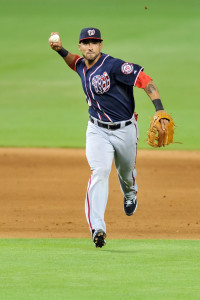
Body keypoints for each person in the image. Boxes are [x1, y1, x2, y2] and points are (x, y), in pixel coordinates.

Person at [49, 27, 169, 248]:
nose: (90, 46)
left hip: (125, 130)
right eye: (86, 42)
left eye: (94, 42)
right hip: (97, 130)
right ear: (81, 46)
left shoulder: (114, 66)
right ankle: (98, 228)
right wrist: (59, 50)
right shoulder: (81, 66)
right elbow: (72, 61)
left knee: (125, 173)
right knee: (100, 172)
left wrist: (159, 110)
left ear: (101, 45)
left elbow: (145, 80)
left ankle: (130, 194)